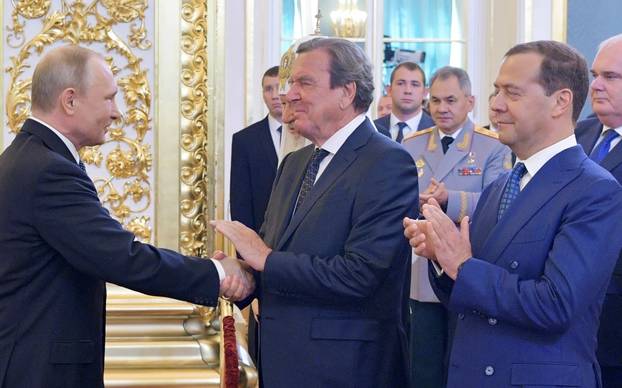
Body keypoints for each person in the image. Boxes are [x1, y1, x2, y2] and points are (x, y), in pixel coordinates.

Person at [0, 45, 253, 388]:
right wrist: (218, 273)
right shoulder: (48, 170)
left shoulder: (33, 157)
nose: (117, 113)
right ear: (70, 101)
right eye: (109, 99)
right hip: (39, 370)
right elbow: (121, 257)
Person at [405, 40, 622, 387]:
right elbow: (469, 295)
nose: (496, 105)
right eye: (495, 91)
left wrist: (462, 266)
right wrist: (440, 257)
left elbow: (556, 305)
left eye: (512, 93)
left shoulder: (596, 190)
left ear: (560, 101)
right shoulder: (502, 185)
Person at [212, 37, 418, 387]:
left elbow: (361, 275)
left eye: (304, 83)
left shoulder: (387, 162)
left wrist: (264, 259)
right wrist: (245, 278)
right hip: (281, 363)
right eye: (291, 83)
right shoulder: (295, 163)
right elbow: (277, 256)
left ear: (346, 92)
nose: (288, 94)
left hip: (345, 369)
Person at [401, 66, 511, 388]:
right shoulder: (413, 145)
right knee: (423, 367)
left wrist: (450, 199)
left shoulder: (492, 145)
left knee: (461, 366)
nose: (442, 108)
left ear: (470, 101)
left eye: (451, 100)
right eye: (435, 100)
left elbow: (497, 205)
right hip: (422, 271)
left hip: (466, 268)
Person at [575, 34, 622, 388]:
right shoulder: (576, 134)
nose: (595, 85)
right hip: (563, 318)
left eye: (610, 77)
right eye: (594, 75)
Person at [230, 66, 282, 363]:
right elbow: (241, 206)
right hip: (258, 249)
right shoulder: (246, 139)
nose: (275, 96)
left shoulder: (308, 136)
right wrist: (249, 264)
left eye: (279, 87)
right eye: (268, 89)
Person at [374, 61, 434, 142]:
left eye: (415, 84)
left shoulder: (437, 130)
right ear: (389, 90)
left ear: (425, 92)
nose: (408, 90)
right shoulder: (372, 129)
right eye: (401, 83)